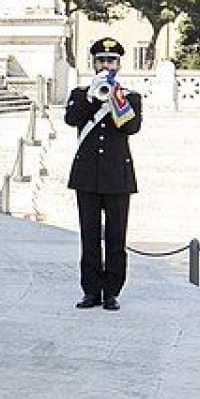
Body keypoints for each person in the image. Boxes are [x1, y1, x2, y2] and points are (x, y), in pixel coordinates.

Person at [65, 37, 142, 312]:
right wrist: (91, 96)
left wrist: (115, 97)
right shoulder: (79, 94)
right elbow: (72, 119)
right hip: (87, 176)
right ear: (94, 63)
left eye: (111, 61)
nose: (106, 65)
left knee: (116, 238)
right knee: (88, 236)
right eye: (101, 60)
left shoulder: (130, 96)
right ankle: (90, 291)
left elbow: (131, 127)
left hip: (117, 178)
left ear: (119, 65)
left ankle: (111, 292)